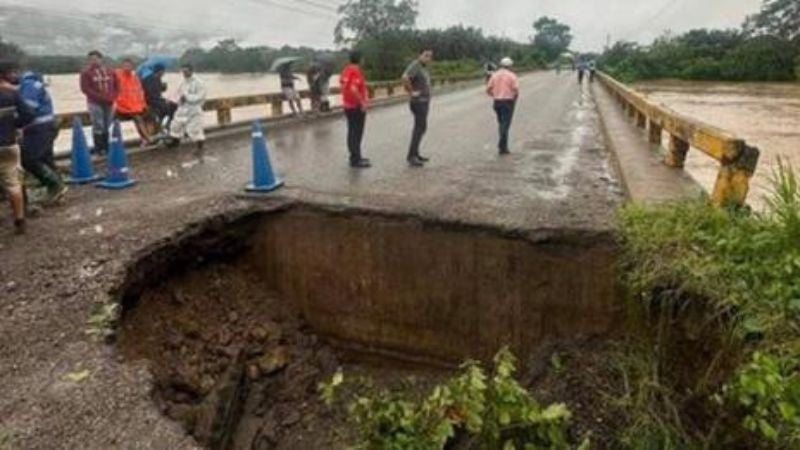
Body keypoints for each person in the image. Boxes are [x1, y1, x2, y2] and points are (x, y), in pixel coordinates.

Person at [19, 70, 67, 204]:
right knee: (46, 158)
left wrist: (15, 123)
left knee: (29, 159)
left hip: (39, 128)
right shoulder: (33, 84)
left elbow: (29, 110)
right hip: (46, 126)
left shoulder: (29, 85)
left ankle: (54, 185)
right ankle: (59, 190)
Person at [0, 60, 35, 234]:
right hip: (8, 144)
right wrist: (14, 125)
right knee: (14, 183)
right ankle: (20, 220)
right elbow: (29, 114)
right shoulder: (11, 94)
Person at [80, 50, 118, 155]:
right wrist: (100, 98)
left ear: (101, 59)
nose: (94, 61)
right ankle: (99, 148)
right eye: (91, 59)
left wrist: (114, 97)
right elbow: (85, 89)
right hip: (95, 103)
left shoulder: (110, 71)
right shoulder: (86, 73)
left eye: (96, 59)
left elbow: (117, 85)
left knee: (107, 124)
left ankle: (106, 147)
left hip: (110, 102)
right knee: (98, 124)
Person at [402, 49, 434, 167]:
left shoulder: (424, 67)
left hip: (424, 102)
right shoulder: (416, 65)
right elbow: (405, 77)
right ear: (420, 55)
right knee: (419, 128)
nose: (428, 58)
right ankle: (411, 156)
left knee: (421, 128)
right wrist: (411, 92)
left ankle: (415, 153)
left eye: (430, 56)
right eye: (426, 55)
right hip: (418, 102)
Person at [168, 64, 207, 159]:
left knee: (195, 129)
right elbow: (177, 93)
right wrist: (173, 100)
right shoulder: (182, 82)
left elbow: (201, 96)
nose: (184, 73)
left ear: (191, 71)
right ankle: (175, 143)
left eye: (186, 71)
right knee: (175, 126)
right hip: (182, 108)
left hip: (194, 109)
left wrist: (187, 97)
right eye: (183, 71)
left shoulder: (199, 83)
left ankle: (200, 147)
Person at [340, 51, 371, 169]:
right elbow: (353, 88)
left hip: (348, 105)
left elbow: (344, 86)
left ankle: (355, 156)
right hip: (356, 106)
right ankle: (355, 160)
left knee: (352, 132)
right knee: (357, 133)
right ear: (360, 59)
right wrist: (362, 102)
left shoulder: (346, 70)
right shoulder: (356, 71)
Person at [486, 57, 520, 155]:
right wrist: (514, 98)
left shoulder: (495, 75)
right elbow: (516, 89)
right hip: (508, 102)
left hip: (497, 102)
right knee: (505, 124)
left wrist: (495, 95)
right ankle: (502, 145)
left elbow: (488, 89)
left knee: (501, 123)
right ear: (510, 66)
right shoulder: (512, 76)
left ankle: (503, 146)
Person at [115, 58, 151, 146]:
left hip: (135, 106)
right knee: (137, 118)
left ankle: (148, 137)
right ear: (122, 66)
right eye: (125, 65)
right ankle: (147, 138)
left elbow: (140, 93)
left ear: (132, 67)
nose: (127, 67)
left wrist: (143, 104)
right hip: (122, 107)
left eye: (129, 65)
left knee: (149, 114)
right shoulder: (117, 75)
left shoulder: (135, 78)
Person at [142, 64, 177, 135]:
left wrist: (163, 87)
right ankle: (159, 127)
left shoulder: (158, 79)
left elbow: (159, 90)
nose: (164, 73)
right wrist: (163, 100)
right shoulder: (148, 79)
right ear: (159, 71)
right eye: (163, 71)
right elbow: (151, 93)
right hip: (150, 100)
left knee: (174, 106)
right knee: (164, 107)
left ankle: (168, 124)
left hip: (157, 99)